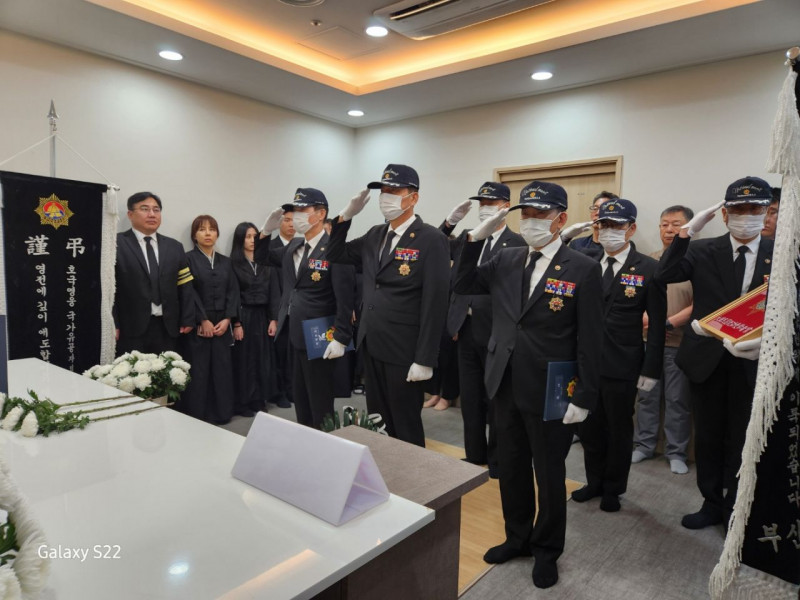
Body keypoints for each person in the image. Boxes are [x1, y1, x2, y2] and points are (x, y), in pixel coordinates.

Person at [454, 180, 602, 589]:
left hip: (551, 386)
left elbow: (591, 337)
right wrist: (473, 240)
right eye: (527, 214)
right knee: (512, 467)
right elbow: (462, 284)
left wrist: (584, 394)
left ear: (561, 218)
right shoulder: (506, 258)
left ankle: (547, 549)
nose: (532, 221)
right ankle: (517, 537)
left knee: (549, 473)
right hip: (504, 380)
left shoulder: (582, 268)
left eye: (541, 214)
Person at [656, 176, 774, 530]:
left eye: (755, 209)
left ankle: (738, 506)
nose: (747, 216)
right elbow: (664, 274)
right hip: (706, 359)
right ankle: (710, 502)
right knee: (707, 436)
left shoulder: (782, 253)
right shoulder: (702, 249)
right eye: (739, 209)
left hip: (754, 360)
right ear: (724, 215)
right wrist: (686, 233)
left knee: (743, 437)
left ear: (766, 213)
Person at [325, 164, 450, 447]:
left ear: (413, 197)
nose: (386, 197)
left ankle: (413, 476)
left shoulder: (431, 239)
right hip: (373, 342)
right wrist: (346, 216)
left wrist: (425, 358)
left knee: (405, 425)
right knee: (379, 422)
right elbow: (336, 253)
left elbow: (435, 302)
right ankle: (385, 471)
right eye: (383, 191)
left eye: (394, 191)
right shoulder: (375, 234)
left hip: (405, 349)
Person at [571, 199, 666, 512]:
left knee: (618, 427)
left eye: (617, 225)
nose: (609, 231)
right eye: (604, 225)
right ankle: (593, 481)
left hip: (622, 363)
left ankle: (613, 488)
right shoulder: (585, 262)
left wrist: (651, 369)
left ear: (631, 228)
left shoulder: (648, 268)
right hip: (585, 362)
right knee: (588, 427)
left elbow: (656, 325)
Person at [439, 182, 526, 471]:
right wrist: (449, 223)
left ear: (505, 207)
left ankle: (498, 460)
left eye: (491, 203)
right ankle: (474, 454)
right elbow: (437, 246)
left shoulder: (517, 243)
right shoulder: (469, 237)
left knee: (496, 400)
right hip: (464, 328)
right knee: (471, 398)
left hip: (495, 332)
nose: (485, 208)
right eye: (482, 204)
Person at [256, 188, 355, 429]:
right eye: (295, 210)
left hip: (321, 334)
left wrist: (341, 337)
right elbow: (262, 257)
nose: (297, 215)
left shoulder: (334, 249)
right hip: (294, 331)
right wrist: (266, 232)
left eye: (303, 209)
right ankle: (307, 439)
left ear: (320, 214)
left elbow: (345, 298)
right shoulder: (295, 246)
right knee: (300, 397)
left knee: (320, 399)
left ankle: (325, 443)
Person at [632, 205, 695, 475]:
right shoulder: (649, 261)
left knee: (677, 400)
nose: (669, 230)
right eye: (664, 224)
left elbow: (700, 302)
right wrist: (651, 323)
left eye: (676, 224)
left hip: (678, 343)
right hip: (648, 343)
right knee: (645, 396)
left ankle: (676, 452)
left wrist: (668, 323)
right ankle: (644, 445)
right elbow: (636, 299)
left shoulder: (695, 260)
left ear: (688, 228)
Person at [113, 191, 194, 355]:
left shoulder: (174, 247)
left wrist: (188, 318)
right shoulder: (116, 244)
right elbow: (109, 289)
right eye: (145, 209)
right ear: (130, 214)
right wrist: (112, 322)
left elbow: (185, 285)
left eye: (156, 210)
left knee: (167, 369)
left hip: (168, 326)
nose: (152, 214)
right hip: (130, 327)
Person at [180, 215, 239, 425]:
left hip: (222, 324)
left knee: (222, 369)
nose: (207, 233)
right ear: (194, 235)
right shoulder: (187, 259)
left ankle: (222, 413)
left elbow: (233, 291)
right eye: (202, 229)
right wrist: (202, 319)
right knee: (199, 369)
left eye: (212, 229)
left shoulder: (226, 262)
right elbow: (188, 291)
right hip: (199, 324)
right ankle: (198, 414)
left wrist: (228, 319)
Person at [230, 222, 278, 417]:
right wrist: (237, 323)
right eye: (248, 237)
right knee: (244, 360)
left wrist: (273, 319)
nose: (252, 240)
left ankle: (259, 398)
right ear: (240, 240)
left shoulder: (266, 261)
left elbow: (274, 292)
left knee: (262, 358)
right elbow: (233, 295)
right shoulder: (234, 263)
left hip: (263, 316)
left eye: (255, 236)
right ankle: (243, 401)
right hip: (244, 315)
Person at [268, 211, 295, 409]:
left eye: (295, 220)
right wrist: (275, 315)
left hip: (300, 309)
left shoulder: (302, 246)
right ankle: (280, 392)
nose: (291, 224)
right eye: (287, 220)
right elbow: (271, 285)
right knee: (279, 354)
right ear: (279, 223)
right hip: (279, 309)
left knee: (295, 353)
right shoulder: (271, 248)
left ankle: (293, 389)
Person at [562, 191, 619, 260]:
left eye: (603, 209)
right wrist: (564, 238)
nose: (597, 213)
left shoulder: (619, 244)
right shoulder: (577, 244)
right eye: (595, 208)